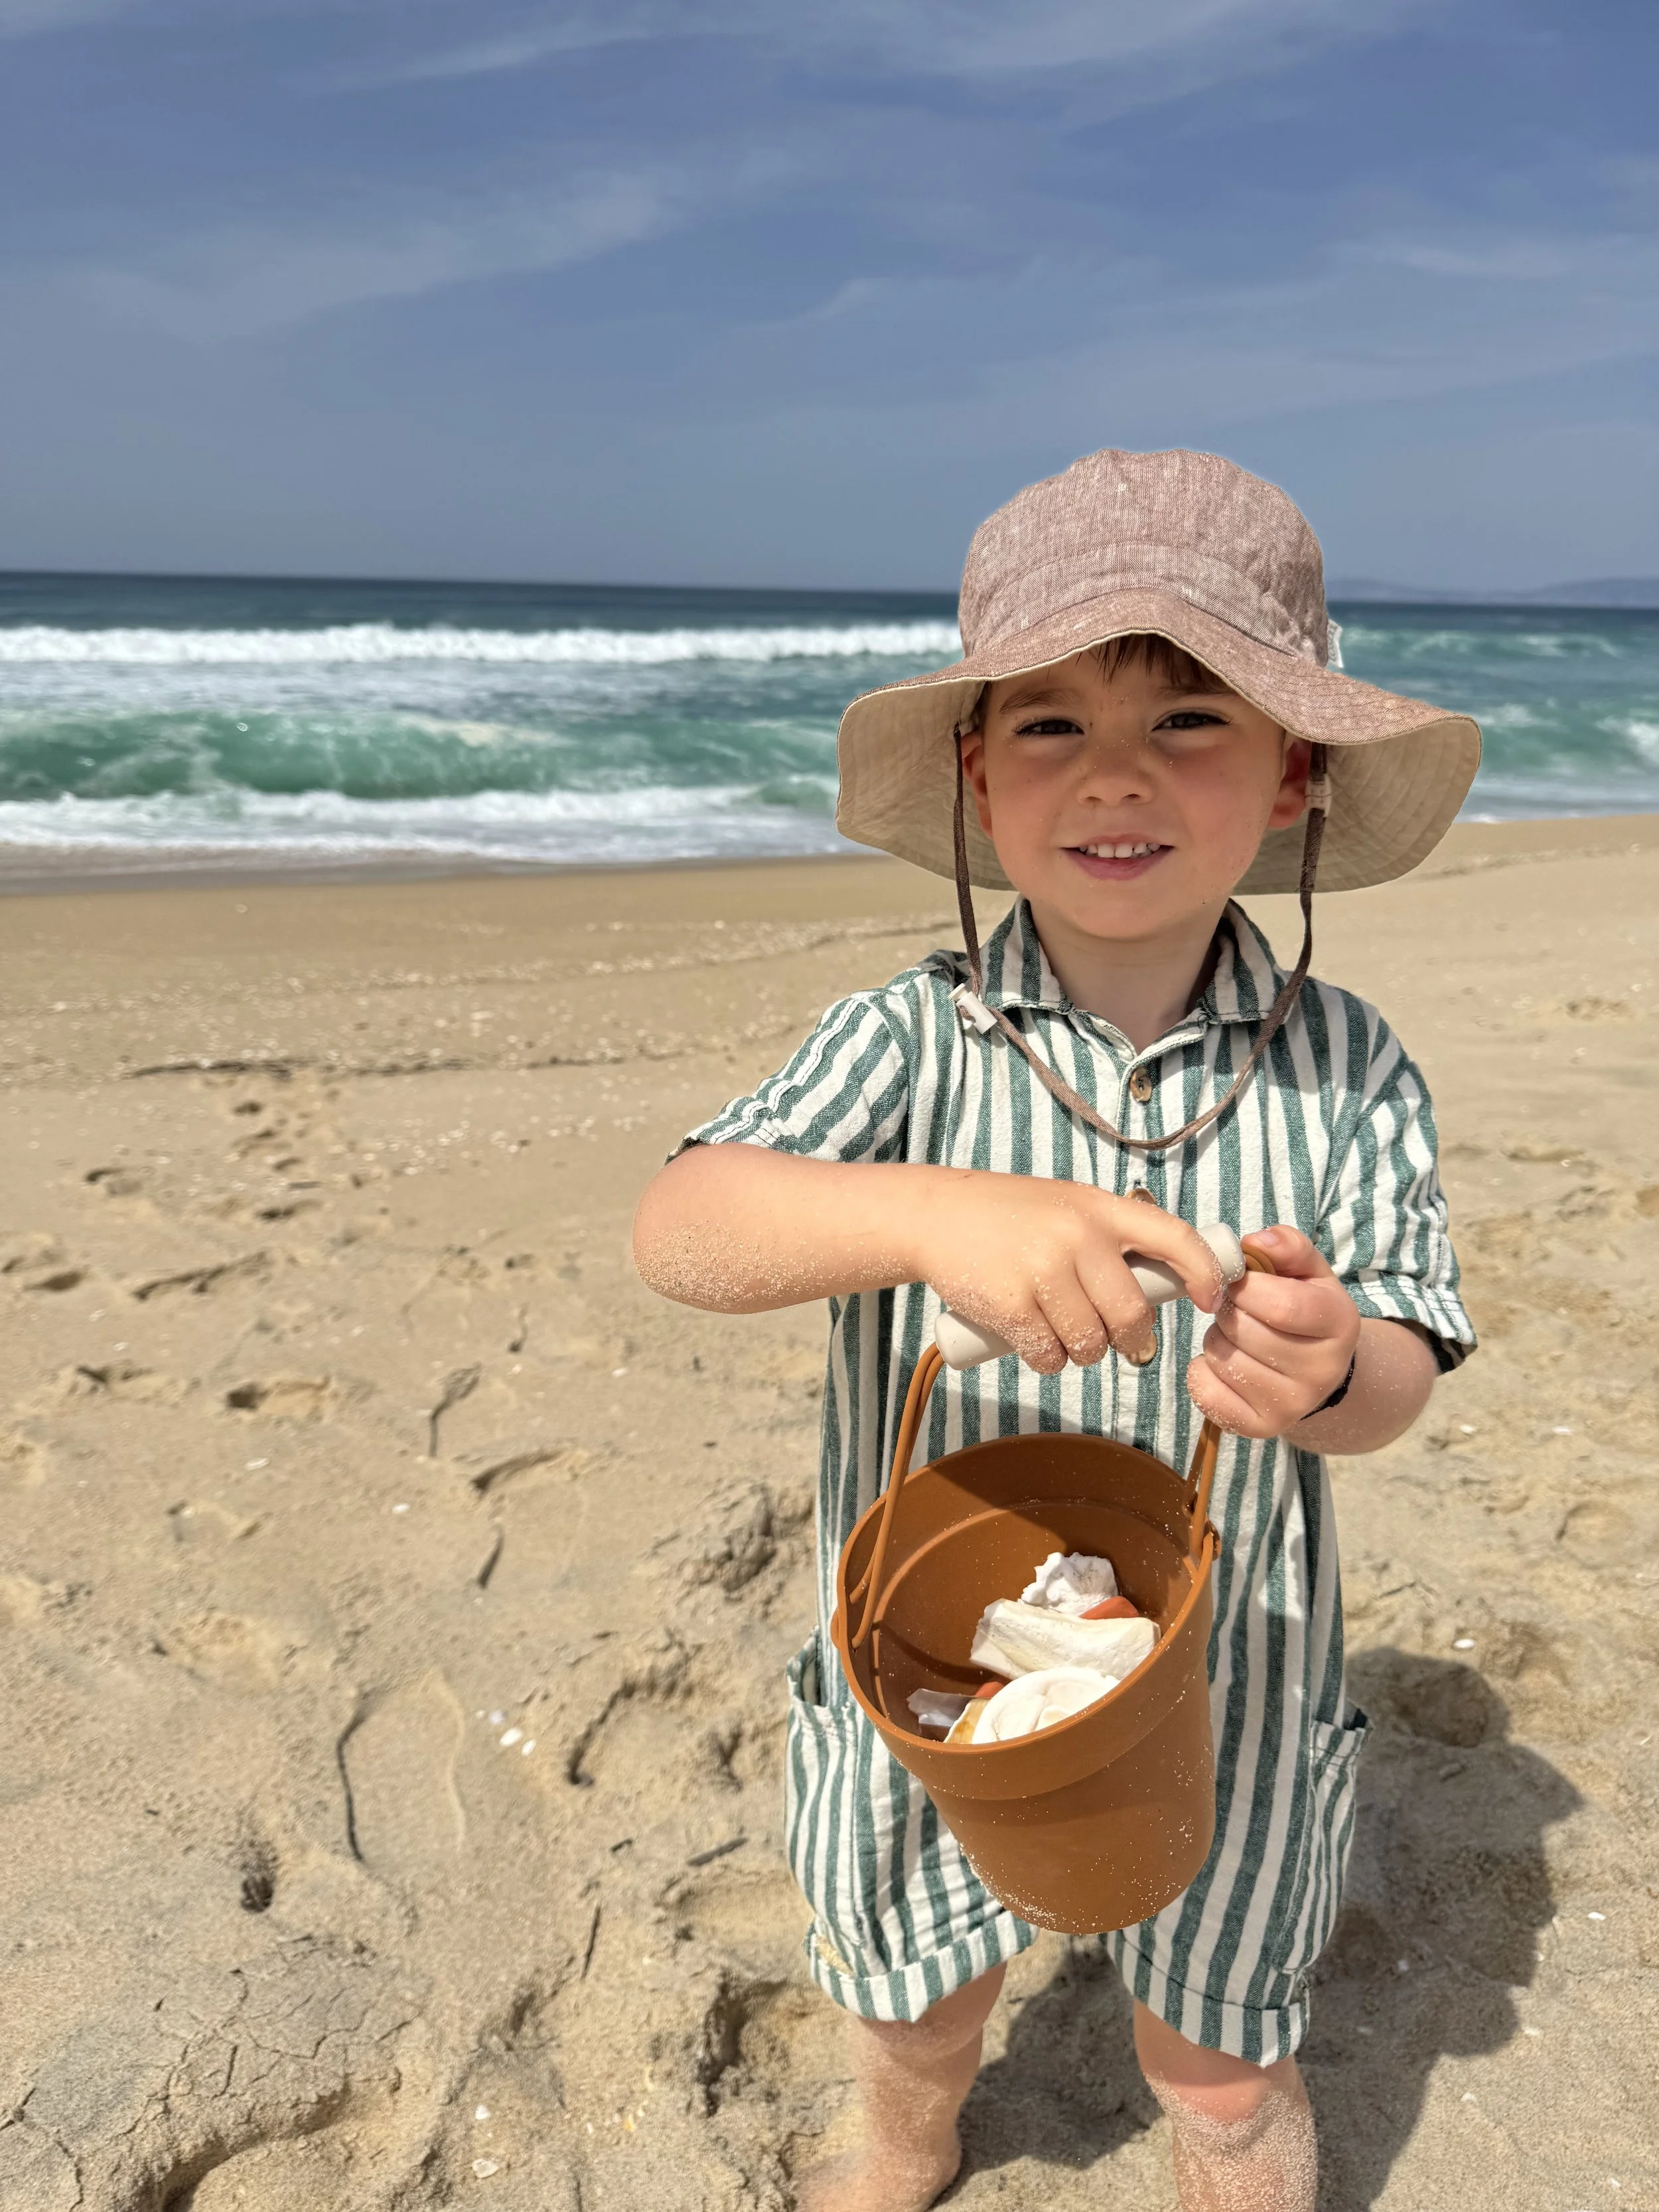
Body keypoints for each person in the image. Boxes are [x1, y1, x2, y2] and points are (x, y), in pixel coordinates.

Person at [632, 449, 1480, 2212]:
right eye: (1044, 723)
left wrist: (1325, 1372)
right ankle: (908, 2129)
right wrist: (933, 1211)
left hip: (1225, 1671)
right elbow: (684, 1227)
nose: (1111, 772)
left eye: (1188, 718)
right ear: (975, 772)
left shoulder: (1346, 1065)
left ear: (1291, 774)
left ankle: (1226, 2140)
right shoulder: (910, 1041)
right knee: (922, 1994)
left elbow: (1399, 1366)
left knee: (1219, 2052)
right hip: (924, 1658)